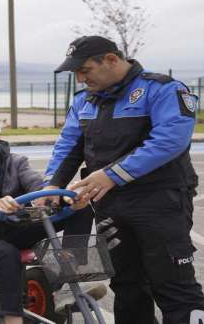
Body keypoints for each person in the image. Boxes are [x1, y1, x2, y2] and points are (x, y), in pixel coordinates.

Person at [43, 35, 204, 323]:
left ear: (111, 60)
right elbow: (68, 145)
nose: (80, 79)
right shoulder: (83, 102)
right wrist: (52, 184)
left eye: (85, 70)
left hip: (160, 201)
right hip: (110, 204)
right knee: (126, 285)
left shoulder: (163, 90)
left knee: (173, 284)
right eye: (76, 73)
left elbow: (169, 141)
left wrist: (111, 175)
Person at [0, 113, 104, 323]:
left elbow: (39, 187)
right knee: (6, 253)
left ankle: (69, 277)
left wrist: (63, 200)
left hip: (8, 224)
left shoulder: (16, 162)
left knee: (81, 210)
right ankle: (12, 319)